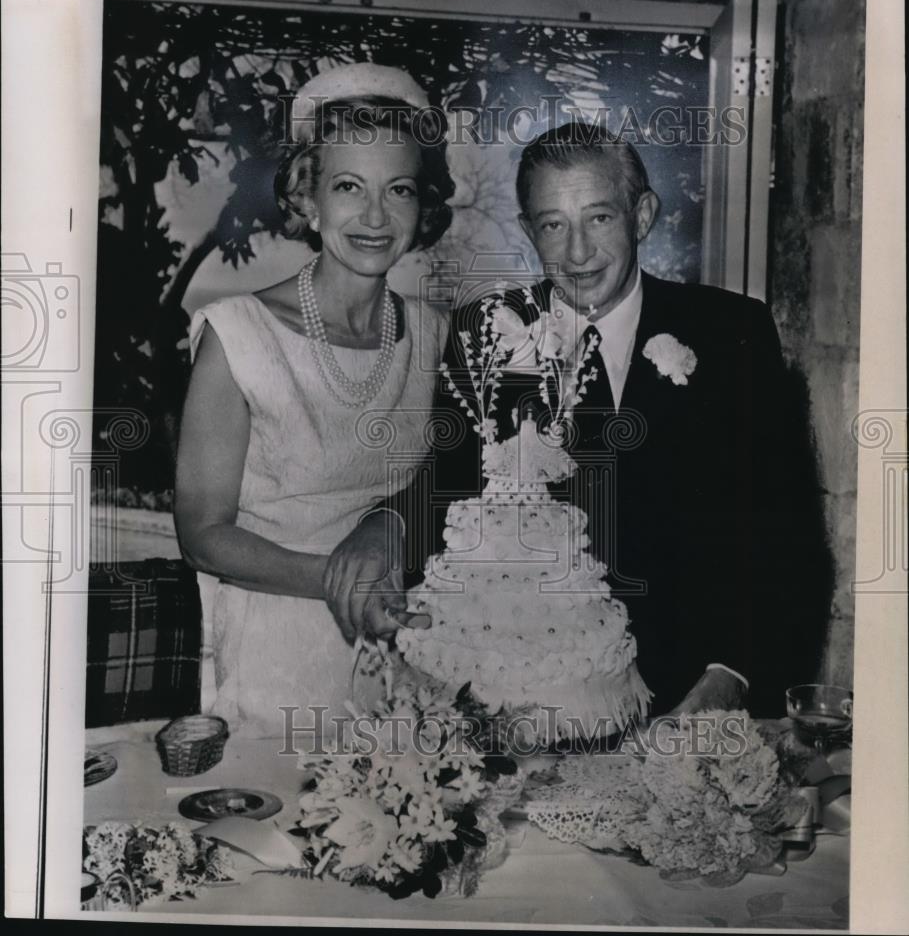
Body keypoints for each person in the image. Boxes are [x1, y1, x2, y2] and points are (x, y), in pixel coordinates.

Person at [325, 120, 830, 719]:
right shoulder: (487, 333)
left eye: (599, 219)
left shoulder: (732, 332)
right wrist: (388, 525)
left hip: (698, 697)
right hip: (533, 707)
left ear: (641, 216)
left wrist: (734, 673)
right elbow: (451, 481)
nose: (578, 253)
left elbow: (786, 534)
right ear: (527, 232)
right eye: (553, 226)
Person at [174, 65, 455, 737]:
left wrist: (389, 540)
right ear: (308, 198)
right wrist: (344, 579)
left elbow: (450, 485)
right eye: (348, 187)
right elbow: (203, 536)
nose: (375, 217)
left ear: (422, 210)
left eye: (399, 190)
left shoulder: (438, 333)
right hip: (273, 655)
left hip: (407, 646)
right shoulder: (238, 333)